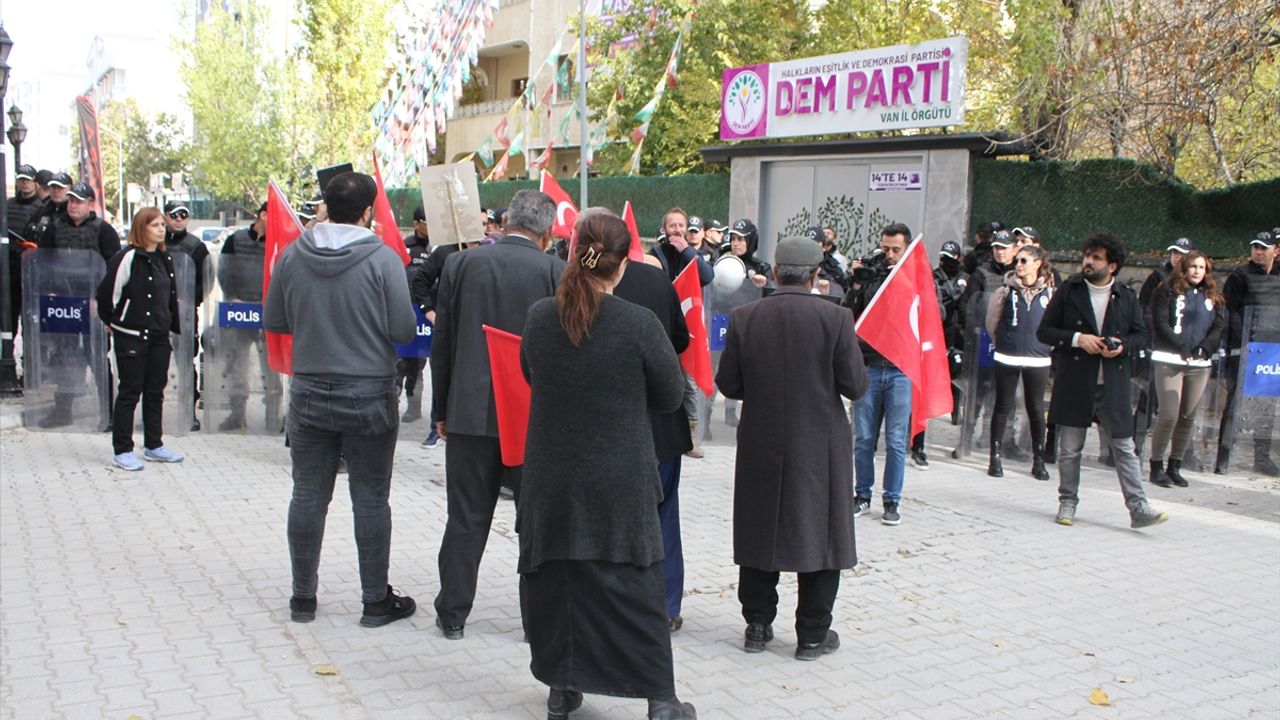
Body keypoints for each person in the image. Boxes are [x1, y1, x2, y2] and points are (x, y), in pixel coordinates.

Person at [519, 212, 694, 720]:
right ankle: (660, 699)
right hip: (620, 476)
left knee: (560, 581)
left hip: (552, 474)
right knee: (634, 588)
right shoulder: (638, 323)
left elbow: (531, 373)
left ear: (575, 254)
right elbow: (670, 395)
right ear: (621, 266)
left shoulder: (539, 317)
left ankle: (562, 688)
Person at [264, 171, 419, 628]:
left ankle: (302, 598)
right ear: (368, 212)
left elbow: (275, 319)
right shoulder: (383, 259)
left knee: (307, 495)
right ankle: (374, 602)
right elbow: (403, 330)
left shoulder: (293, 255)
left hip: (309, 388)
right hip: (369, 391)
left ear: (326, 207)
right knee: (370, 499)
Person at [716, 236, 868, 661]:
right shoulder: (836, 318)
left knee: (759, 528)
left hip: (761, 439)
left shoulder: (746, 317)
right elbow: (855, 385)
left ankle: (757, 625)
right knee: (822, 534)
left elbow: (729, 384)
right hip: (820, 444)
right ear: (816, 275)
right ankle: (813, 634)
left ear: (777, 271)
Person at [431, 189, 565, 640]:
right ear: (548, 233)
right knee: (535, 524)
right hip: (532, 419)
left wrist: (441, 408)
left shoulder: (460, 264)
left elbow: (443, 343)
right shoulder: (555, 272)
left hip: (468, 412)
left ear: (506, 222)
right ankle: (535, 623)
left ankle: (452, 614)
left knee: (465, 517)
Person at [1037, 232, 1168, 528]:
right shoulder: (1069, 290)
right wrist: (1077, 339)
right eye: (1087, 255)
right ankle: (1067, 501)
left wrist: (1122, 346)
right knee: (1070, 449)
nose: (1089, 261)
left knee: (1124, 447)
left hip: (1112, 384)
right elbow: (1044, 331)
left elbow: (1141, 335)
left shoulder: (1126, 296)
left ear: (1112, 266)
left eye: (1096, 258)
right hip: (1075, 382)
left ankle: (1138, 507)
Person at [612, 210, 693, 632]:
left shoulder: (582, 284)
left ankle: (619, 605)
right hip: (661, 420)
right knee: (663, 515)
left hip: (610, 424)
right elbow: (680, 339)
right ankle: (665, 606)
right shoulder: (658, 281)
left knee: (614, 519)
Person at [96, 207, 184, 470]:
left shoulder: (164, 258)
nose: (161, 229)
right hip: (132, 336)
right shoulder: (128, 257)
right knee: (130, 390)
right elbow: (107, 293)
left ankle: (154, 445)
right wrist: (113, 321)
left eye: (162, 225)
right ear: (141, 228)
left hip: (159, 335)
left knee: (155, 392)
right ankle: (122, 449)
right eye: (155, 225)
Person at [33, 181, 121, 429]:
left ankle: (109, 415)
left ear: (90, 204)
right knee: (64, 357)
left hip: (93, 305)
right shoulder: (54, 227)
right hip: (63, 304)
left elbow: (113, 269)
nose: (73, 205)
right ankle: (62, 412)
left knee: (97, 358)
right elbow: (43, 262)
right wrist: (49, 291)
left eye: (79, 201)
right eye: (71, 200)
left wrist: (99, 301)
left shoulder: (104, 231)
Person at [843, 223, 912, 525]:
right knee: (863, 438)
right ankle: (862, 495)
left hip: (900, 370)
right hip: (869, 366)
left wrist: (904, 279)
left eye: (896, 249)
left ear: (907, 249)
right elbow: (848, 313)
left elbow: (935, 313)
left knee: (895, 440)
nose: (889, 255)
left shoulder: (916, 275)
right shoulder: (873, 273)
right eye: (885, 248)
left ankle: (892, 500)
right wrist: (857, 284)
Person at [1146, 250, 1225, 487]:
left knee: (1187, 416)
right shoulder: (1167, 290)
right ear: (1184, 268)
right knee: (1169, 414)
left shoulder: (1212, 295)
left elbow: (1218, 326)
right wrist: (1180, 346)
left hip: (1199, 364)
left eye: (1201, 267)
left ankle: (1175, 466)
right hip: (1170, 360)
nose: (1197, 271)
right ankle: (1156, 465)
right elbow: (1160, 322)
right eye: (1193, 266)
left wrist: (1205, 348)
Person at [984, 244, 1055, 480]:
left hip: (1038, 358)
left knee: (1036, 408)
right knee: (1002, 406)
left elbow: (1054, 324)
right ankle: (995, 457)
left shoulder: (1050, 293)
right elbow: (992, 323)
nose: (1019, 265)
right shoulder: (1005, 291)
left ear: (1037, 264)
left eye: (1024, 261)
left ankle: (1039, 459)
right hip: (1008, 356)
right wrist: (1006, 342)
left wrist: (1045, 346)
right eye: (1018, 261)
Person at [650, 208, 714, 458]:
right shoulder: (655, 254)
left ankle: (692, 438)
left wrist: (687, 251)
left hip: (687, 329)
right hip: (662, 326)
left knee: (689, 382)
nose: (677, 229)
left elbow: (707, 276)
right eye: (672, 225)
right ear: (664, 229)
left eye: (680, 225)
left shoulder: (692, 255)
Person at [1216, 230, 1280, 475]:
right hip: (1245, 349)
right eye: (1255, 247)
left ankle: (1261, 457)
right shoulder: (1240, 275)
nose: (1258, 252)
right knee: (1235, 403)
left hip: (1272, 351)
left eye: (1264, 248)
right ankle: (1223, 457)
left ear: (1276, 251)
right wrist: (1240, 342)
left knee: (1267, 405)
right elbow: (1229, 312)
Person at [214, 202, 281, 432]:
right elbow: (224, 271)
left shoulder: (278, 243)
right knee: (237, 366)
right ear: (263, 215)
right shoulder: (236, 240)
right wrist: (232, 296)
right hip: (239, 311)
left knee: (271, 369)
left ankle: (273, 418)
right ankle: (237, 415)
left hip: (267, 312)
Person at [410, 228, 469, 449]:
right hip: (446, 329)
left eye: (486, 223)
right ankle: (436, 427)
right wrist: (430, 312)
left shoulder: (489, 251)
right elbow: (420, 281)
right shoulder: (445, 252)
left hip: (473, 330)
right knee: (441, 375)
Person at [163, 200, 211, 431]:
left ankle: (189, 413)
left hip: (185, 315)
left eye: (183, 215)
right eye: (174, 215)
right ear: (165, 216)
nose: (179, 219)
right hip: (157, 313)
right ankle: (151, 412)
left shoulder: (196, 247)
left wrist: (190, 300)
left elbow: (206, 280)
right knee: (154, 364)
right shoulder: (155, 242)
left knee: (185, 364)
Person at [397, 205, 432, 423]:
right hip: (405, 309)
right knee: (399, 361)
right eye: (426, 222)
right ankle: (392, 402)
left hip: (426, 313)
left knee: (417, 363)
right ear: (416, 223)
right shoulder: (405, 247)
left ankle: (414, 406)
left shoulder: (436, 248)